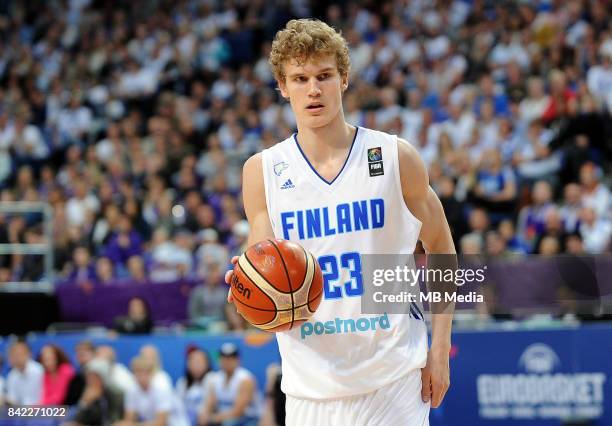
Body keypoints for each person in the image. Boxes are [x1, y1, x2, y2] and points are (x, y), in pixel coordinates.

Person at [226, 19, 455, 426]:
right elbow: (263, 266)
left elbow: (443, 250)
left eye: (324, 76)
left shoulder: (393, 157)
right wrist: (247, 287)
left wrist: (440, 349)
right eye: (299, 78)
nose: (313, 89)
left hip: (394, 378)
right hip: (310, 386)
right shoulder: (261, 172)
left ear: (344, 78)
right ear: (282, 86)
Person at [198, 343, 262, 426]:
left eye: (231, 358)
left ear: (238, 360)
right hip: (224, 418)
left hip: (249, 418)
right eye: (224, 358)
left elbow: (238, 412)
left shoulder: (245, 379)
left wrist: (212, 418)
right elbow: (209, 404)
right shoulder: (216, 378)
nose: (227, 361)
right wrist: (204, 416)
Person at [115, 356, 189, 426]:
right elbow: (129, 419)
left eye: (145, 373)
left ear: (152, 374)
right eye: (138, 373)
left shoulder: (161, 388)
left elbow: (161, 423)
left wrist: (132, 425)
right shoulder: (132, 391)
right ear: (133, 374)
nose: (142, 377)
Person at [175, 346, 213, 425]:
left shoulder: (213, 380)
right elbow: (178, 408)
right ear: (188, 364)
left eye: (200, 362)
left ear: (207, 364)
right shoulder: (182, 383)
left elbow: (208, 409)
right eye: (194, 362)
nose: (197, 365)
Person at [6, 341, 44, 405]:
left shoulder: (39, 371)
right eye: (13, 354)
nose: (17, 357)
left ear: (28, 354)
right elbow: (13, 399)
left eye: (19, 354)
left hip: (40, 410)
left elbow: (45, 397)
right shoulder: (12, 375)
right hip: (21, 411)